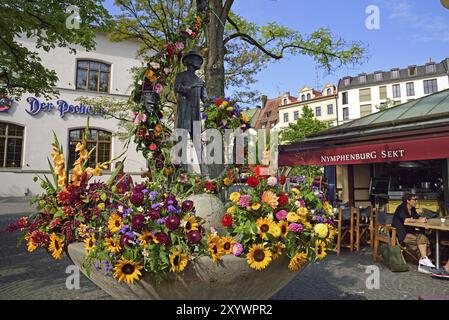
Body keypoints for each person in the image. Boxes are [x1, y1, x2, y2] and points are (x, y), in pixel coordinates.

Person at [392, 193, 435, 274]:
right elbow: (406, 220)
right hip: (401, 233)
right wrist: (419, 220)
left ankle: (423, 260)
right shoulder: (401, 208)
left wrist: (423, 219)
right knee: (423, 239)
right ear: (408, 201)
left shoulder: (412, 209)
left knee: (423, 236)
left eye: (416, 199)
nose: (416, 201)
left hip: (410, 231)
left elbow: (417, 217)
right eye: (414, 199)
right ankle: (424, 262)